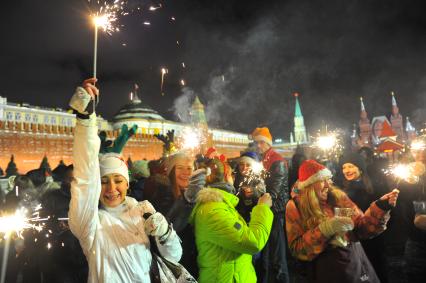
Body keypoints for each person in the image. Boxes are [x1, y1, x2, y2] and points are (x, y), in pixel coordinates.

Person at [68, 78, 182, 282]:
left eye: (117, 180)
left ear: (127, 184)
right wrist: (85, 121)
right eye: (103, 181)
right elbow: (85, 176)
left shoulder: (143, 212)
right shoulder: (90, 223)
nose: (111, 188)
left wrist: (165, 234)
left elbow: (174, 257)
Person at [286, 159, 399, 283]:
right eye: (322, 181)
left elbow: (362, 228)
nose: (328, 185)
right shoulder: (296, 207)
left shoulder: (338, 198)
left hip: (356, 266)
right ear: (309, 186)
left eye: (328, 179)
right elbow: (298, 250)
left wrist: (380, 207)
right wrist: (325, 229)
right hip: (327, 273)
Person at [189, 157, 274, 283]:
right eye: (232, 173)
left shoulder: (221, 204)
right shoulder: (214, 211)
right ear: (226, 175)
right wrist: (263, 208)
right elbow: (252, 242)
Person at [338, 153, 389, 283]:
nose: (347, 170)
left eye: (351, 166)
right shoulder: (340, 190)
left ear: (360, 168)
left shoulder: (375, 187)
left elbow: (385, 212)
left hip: (374, 238)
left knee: (377, 268)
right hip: (353, 239)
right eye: (344, 167)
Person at [251, 127, 290, 283]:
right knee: (267, 255)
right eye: (257, 143)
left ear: (267, 142)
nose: (259, 146)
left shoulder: (277, 161)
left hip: (276, 211)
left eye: (261, 142)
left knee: (278, 256)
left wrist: (261, 201)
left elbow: (274, 191)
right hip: (268, 210)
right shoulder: (265, 160)